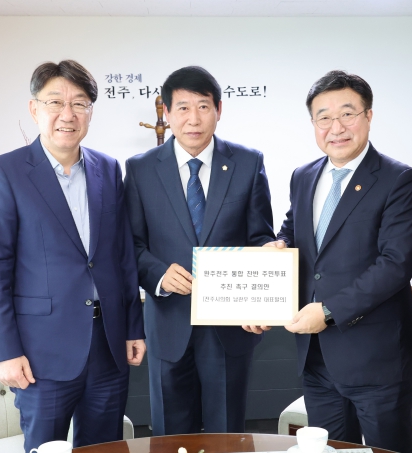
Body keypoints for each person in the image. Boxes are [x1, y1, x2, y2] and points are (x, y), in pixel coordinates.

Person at [245, 70, 412, 453]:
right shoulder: (304, 176)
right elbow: (292, 235)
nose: (336, 127)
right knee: (327, 450)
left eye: (347, 114)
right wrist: (273, 257)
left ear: (368, 116)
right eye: (323, 117)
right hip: (316, 358)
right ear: (313, 123)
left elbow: (396, 264)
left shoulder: (400, 180)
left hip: (376, 358)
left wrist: (328, 311)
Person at [0, 60, 146, 452]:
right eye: (55, 102)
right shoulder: (5, 173)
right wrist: (5, 352)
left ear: (90, 112)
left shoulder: (107, 169)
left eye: (80, 103)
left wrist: (133, 328)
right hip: (41, 354)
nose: (68, 114)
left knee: (105, 447)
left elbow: (121, 256)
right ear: (35, 109)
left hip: (108, 346)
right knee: (46, 448)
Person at [124, 66, 275, 435]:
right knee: (170, 437)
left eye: (203, 107)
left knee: (227, 433)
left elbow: (260, 237)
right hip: (168, 324)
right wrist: (159, 275)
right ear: (167, 112)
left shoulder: (247, 163)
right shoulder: (141, 169)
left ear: (219, 109)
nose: (193, 119)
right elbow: (131, 246)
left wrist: (271, 257)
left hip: (231, 326)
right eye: (183, 108)